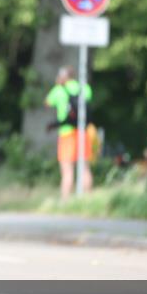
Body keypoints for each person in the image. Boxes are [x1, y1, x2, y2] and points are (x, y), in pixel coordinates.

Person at [45, 65, 93, 199]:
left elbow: (48, 103)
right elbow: (88, 99)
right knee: (84, 167)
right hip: (82, 132)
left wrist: (57, 85)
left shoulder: (58, 89)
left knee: (67, 170)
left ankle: (65, 201)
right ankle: (88, 200)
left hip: (66, 133)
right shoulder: (84, 87)